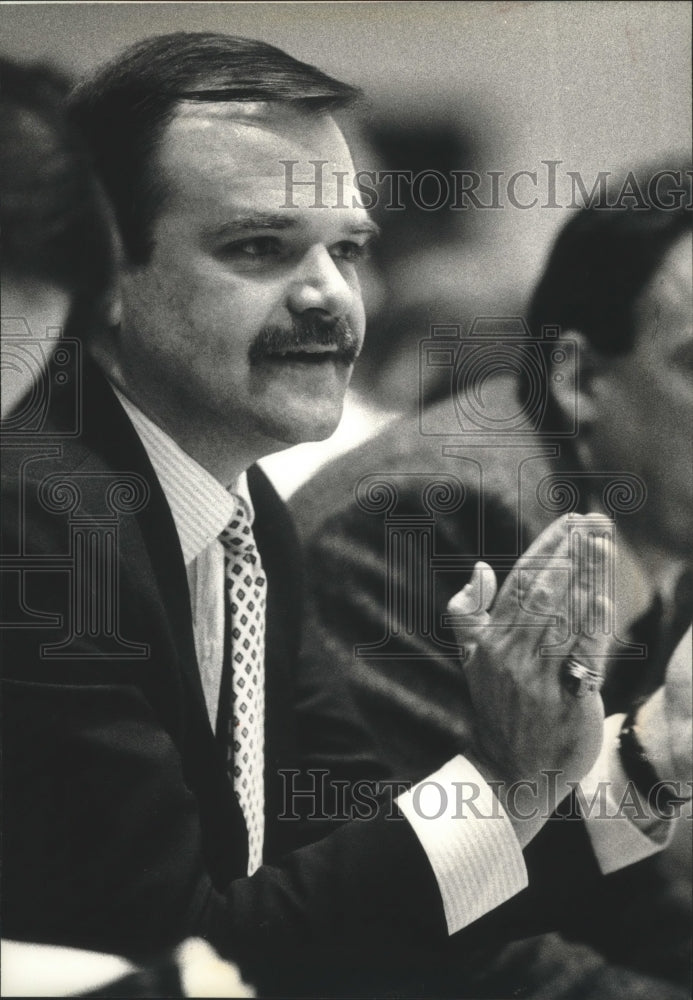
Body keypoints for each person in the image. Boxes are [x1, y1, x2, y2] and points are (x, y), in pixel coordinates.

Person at [0, 32, 672, 997]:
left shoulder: (244, 516)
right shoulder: (43, 519)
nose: (328, 295)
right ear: (106, 279)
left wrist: (647, 760)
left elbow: (359, 879)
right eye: (258, 248)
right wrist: (499, 769)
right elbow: (181, 951)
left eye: (347, 250)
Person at [292, 181, 693, 991]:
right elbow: (422, 934)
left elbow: (610, 880)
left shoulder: (651, 510)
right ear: (579, 378)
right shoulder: (423, 519)